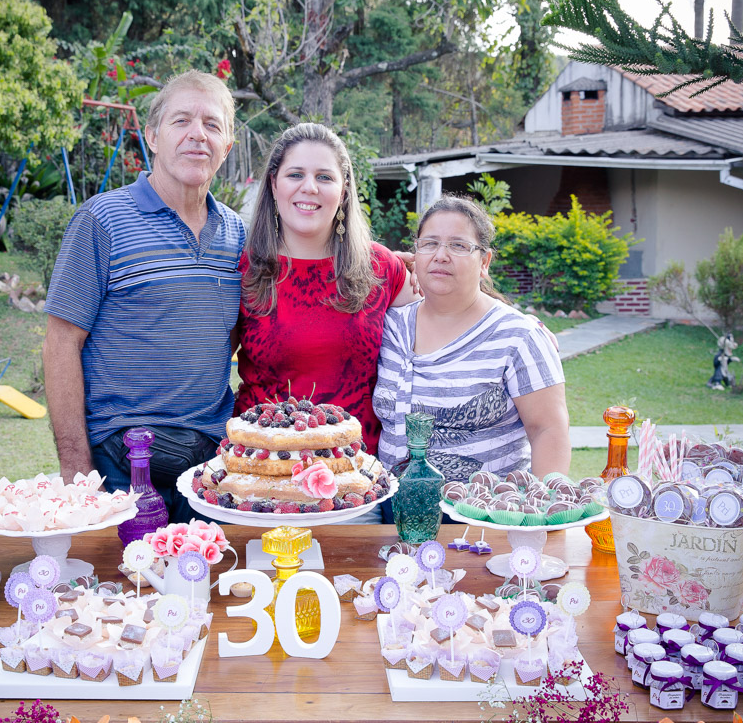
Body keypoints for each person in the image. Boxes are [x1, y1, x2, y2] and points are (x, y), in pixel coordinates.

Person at [43, 70, 245, 522]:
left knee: (210, 568)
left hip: (212, 463)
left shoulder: (237, 234)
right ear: (152, 136)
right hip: (120, 458)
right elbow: (60, 343)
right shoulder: (102, 220)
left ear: (227, 147)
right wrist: (76, 469)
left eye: (212, 125)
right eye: (181, 121)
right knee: (127, 569)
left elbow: (225, 336)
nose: (198, 134)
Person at [235, 123, 416, 453]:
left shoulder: (382, 268)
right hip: (260, 465)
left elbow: (438, 347)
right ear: (273, 184)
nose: (309, 187)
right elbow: (204, 364)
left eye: (324, 177)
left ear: (344, 190)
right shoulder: (244, 269)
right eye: (295, 175)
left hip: (355, 467)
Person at [373, 194, 571, 483]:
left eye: (458, 245)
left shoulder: (518, 336)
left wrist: (544, 502)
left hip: (484, 507)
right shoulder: (390, 326)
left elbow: (548, 430)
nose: (441, 255)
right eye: (430, 244)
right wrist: (388, 262)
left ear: (484, 262)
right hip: (390, 505)